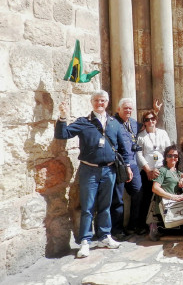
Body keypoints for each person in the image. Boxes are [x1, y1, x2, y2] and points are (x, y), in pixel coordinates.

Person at [54, 90, 131, 258]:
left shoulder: (113, 123)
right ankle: (85, 241)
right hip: (89, 170)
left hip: (109, 170)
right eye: (96, 100)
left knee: (105, 206)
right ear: (92, 102)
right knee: (88, 207)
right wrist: (62, 116)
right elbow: (63, 134)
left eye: (103, 100)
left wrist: (128, 166)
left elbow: (123, 147)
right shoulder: (83, 122)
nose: (100, 103)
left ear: (107, 103)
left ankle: (104, 236)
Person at [111, 98, 143, 240]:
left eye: (130, 108)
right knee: (117, 197)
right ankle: (117, 229)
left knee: (138, 192)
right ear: (118, 109)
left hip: (133, 164)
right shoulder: (112, 123)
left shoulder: (134, 123)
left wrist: (155, 112)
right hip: (119, 164)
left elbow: (146, 124)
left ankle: (133, 225)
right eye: (125, 108)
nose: (128, 111)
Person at [136, 110, 172, 232]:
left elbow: (168, 151)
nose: (150, 121)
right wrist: (148, 170)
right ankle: (143, 225)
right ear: (144, 122)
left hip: (162, 169)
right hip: (147, 171)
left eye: (152, 119)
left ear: (156, 120)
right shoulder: (141, 136)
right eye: (147, 119)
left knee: (162, 197)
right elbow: (139, 154)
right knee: (146, 197)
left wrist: (164, 169)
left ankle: (165, 223)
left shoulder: (163, 133)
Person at [149, 145, 183, 241]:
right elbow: (155, 188)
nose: (173, 158)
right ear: (166, 157)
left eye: (175, 156)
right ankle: (156, 227)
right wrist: (172, 197)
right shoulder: (162, 171)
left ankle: (161, 228)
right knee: (181, 230)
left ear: (178, 158)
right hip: (165, 206)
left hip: (176, 206)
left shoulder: (177, 172)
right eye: (170, 155)